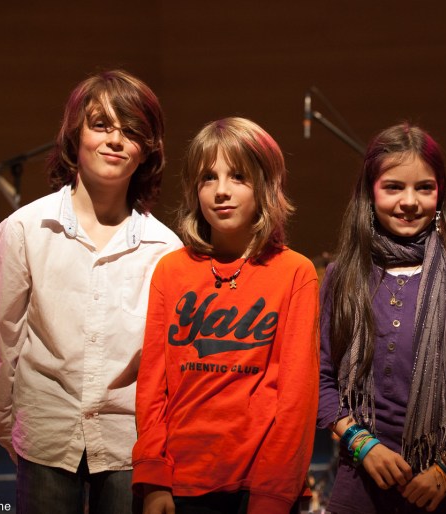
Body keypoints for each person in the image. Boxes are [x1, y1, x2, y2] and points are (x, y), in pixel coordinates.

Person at [0, 69, 182, 513]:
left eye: (130, 131)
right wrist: (8, 426)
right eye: (101, 125)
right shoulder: (23, 230)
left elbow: (164, 368)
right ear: (75, 137)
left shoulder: (168, 249)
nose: (115, 140)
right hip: (45, 436)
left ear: (146, 151)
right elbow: (3, 340)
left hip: (128, 443)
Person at [132, 117, 319, 514]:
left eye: (237, 176)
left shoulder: (295, 273)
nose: (221, 191)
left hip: (260, 490)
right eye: (207, 178)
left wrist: (274, 494)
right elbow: (153, 385)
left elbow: (296, 401)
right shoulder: (171, 270)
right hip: (178, 487)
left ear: (266, 185)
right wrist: (153, 480)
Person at [317, 123, 446, 514]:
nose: (409, 201)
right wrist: (362, 444)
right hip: (362, 483)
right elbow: (322, 382)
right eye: (393, 187)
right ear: (369, 193)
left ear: (441, 194)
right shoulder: (342, 276)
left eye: (424, 187)